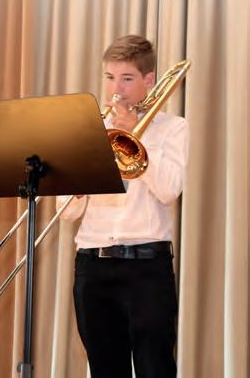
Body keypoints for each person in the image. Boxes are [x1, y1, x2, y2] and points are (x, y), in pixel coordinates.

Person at [57, 35, 189, 378]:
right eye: (110, 77)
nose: (116, 89)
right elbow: (67, 212)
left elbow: (169, 190)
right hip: (93, 264)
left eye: (127, 78)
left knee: (155, 368)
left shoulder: (173, 129)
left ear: (149, 80)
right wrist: (78, 184)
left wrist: (138, 140)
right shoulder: (88, 129)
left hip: (148, 266)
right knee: (104, 369)